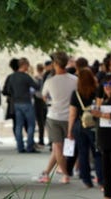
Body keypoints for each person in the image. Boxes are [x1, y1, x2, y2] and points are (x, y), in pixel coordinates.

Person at [39, 52, 78, 183]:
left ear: (55, 64)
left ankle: (65, 174)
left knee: (57, 147)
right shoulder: (75, 80)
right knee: (59, 148)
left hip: (54, 116)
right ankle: (46, 172)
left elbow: (44, 97)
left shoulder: (50, 81)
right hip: (71, 117)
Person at [67, 68, 102, 188]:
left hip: (79, 124)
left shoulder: (75, 93)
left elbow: (72, 113)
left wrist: (70, 130)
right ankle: (101, 179)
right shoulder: (97, 91)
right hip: (94, 125)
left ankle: (87, 180)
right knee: (97, 153)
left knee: (83, 153)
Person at [3, 57, 38, 153]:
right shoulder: (26, 76)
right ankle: (30, 146)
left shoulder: (12, 76)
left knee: (19, 125)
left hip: (16, 103)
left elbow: (8, 90)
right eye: (28, 65)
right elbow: (36, 86)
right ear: (24, 65)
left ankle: (20, 147)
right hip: (26, 102)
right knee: (31, 125)